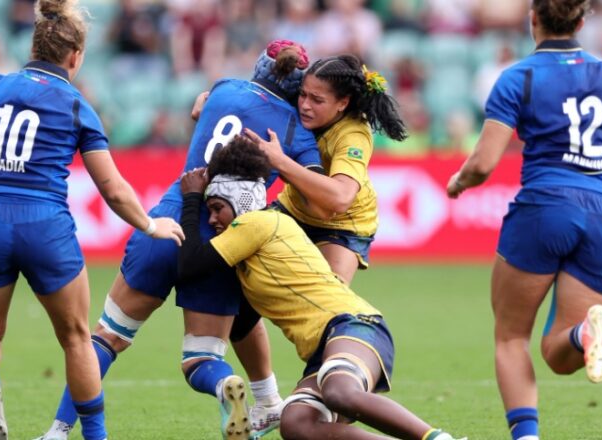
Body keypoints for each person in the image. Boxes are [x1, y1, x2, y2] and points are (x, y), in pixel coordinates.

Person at [0, 0, 185, 439]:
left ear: (33, 47)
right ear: (74, 57)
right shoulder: (77, 105)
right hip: (44, 225)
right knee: (77, 338)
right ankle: (95, 435)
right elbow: (112, 189)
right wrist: (152, 225)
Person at [38, 40, 322, 440]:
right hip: (226, 240)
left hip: (170, 219)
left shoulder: (224, 88)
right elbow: (319, 189)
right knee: (201, 358)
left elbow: (199, 105)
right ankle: (225, 386)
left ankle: (58, 431)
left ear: (259, 67)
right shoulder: (295, 128)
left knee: (107, 336)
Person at [444, 1, 602, 439]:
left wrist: (459, 182)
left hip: (544, 207)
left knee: (511, 337)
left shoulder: (517, 77)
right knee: (561, 354)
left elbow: (483, 163)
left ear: (532, 19)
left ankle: (527, 437)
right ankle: (584, 335)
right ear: (581, 22)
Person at [177, 136, 465, 440]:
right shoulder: (251, 253)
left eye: (217, 208)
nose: (212, 219)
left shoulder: (256, 225)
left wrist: (192, 199)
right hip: (325, 351)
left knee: (339, 392)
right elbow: (241, 324)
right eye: (209, 210)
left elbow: (190, 265)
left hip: (353, 326)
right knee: (297, 423)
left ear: (241, 199)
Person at [247, 54, 407, 285]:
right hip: (293, 209)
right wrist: (211, 102)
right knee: (238, 288)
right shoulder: (299, 106)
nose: (304, 105)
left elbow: (340, 198)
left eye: (317, 100)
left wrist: (280, 161)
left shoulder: (353, 135)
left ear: (343, 103)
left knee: (328, 304)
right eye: (302, 94)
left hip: (342, 225)